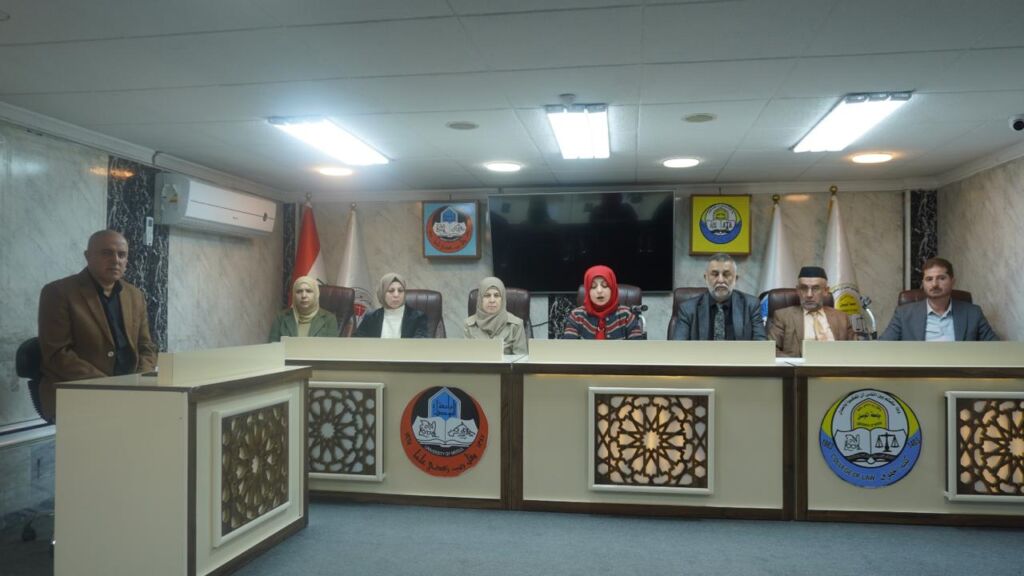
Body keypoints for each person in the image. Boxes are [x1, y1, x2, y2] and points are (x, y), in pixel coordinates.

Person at [37, 229, 158, 422]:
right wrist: (110, 386)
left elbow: (147, 347)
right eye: (107, 253)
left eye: (122, 255)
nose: (116, 260)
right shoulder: (59, 292)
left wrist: (138, 381)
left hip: (131, 391)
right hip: (79, 392)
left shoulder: (135, 295)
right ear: (88, 256)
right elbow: (57, 354)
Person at [880, 257, 998, 341]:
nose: (934, 284)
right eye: (929, 279)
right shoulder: (903, 314)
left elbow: (995, 348)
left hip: (959, 368)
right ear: (923, 284)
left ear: (952, 281)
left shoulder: (973, 313)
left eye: (941, 278)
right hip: (919, 368)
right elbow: (883, 347)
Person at [672, 253, 766, 341]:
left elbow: (761, 345)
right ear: (706, 278)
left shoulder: (751, 305)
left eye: (726, 274)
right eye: (715, 274)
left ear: (735, 279)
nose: (720, 280)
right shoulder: (688, 309)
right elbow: (679, 347)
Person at [768, 266, 854, 357]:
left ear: (825, 291)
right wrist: (795, 363)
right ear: (798, 290)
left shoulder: (841, 317)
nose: (809, 295)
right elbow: (770, 349)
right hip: (800, 365)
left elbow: (856, 348)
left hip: (836, 364)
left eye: (816, 288)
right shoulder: (783, 316)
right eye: (804, 288)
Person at [561, 265, 643, 340]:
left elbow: (638, 348)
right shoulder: (576, 316)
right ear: (587, 291)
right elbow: (568, 347)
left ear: (612, 288)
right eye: (593, 286)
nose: (599, 291)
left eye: (605, 285)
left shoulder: (627, 315)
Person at [464, 277, 528, 354]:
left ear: (502, 299)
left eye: (497, 295)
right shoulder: (469, 325)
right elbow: (467, 357)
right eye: (487, 295)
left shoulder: (516, 325)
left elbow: (521, 359)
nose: (492, 300)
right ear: (480, 299)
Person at [354, 272, 429, 338]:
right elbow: (358, 341)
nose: (396, 295)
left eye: (400, 291)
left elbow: (420, 342)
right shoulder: (371, 317)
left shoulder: (418, 317)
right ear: (382, 293)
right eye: (391, 291)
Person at [268, 276, 339, 341]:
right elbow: (272, 347)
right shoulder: (281, 318)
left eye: (308, 291)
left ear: (316, 294)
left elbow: (332, 349)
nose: (304, 295)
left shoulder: (329, 319)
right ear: (294, 295)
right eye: (299, 291)